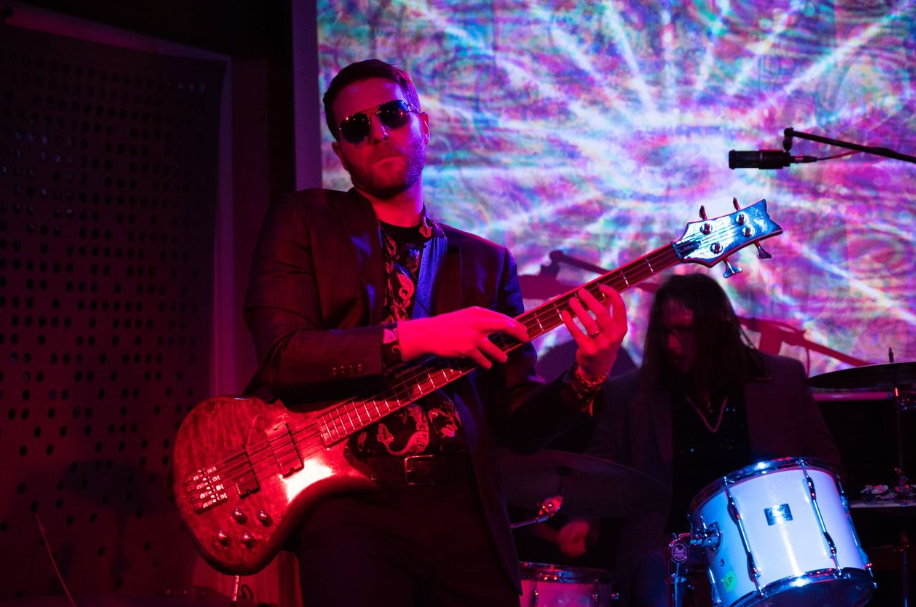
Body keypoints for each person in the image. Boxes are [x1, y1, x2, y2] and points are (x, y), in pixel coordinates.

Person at [242, 59, 628, 607]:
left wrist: (589, 374)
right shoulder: (304, 220)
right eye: (357, 127)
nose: (378, 132)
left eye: (392, 115)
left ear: (422, 124)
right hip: (351, 506)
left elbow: (518, 424)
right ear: (340, 153)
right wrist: (421, 337)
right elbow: (284, 356)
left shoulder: (487, 263)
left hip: (464, 507)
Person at [557, 272, 843, 607]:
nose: (671, 345)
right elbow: (598, 467)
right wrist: (582, 518)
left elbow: (825, 464)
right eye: (664, 332)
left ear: (717, 328)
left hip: (771, 539)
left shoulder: (781, 378)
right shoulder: (630, 393)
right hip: (672, 546)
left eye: (684, 331)